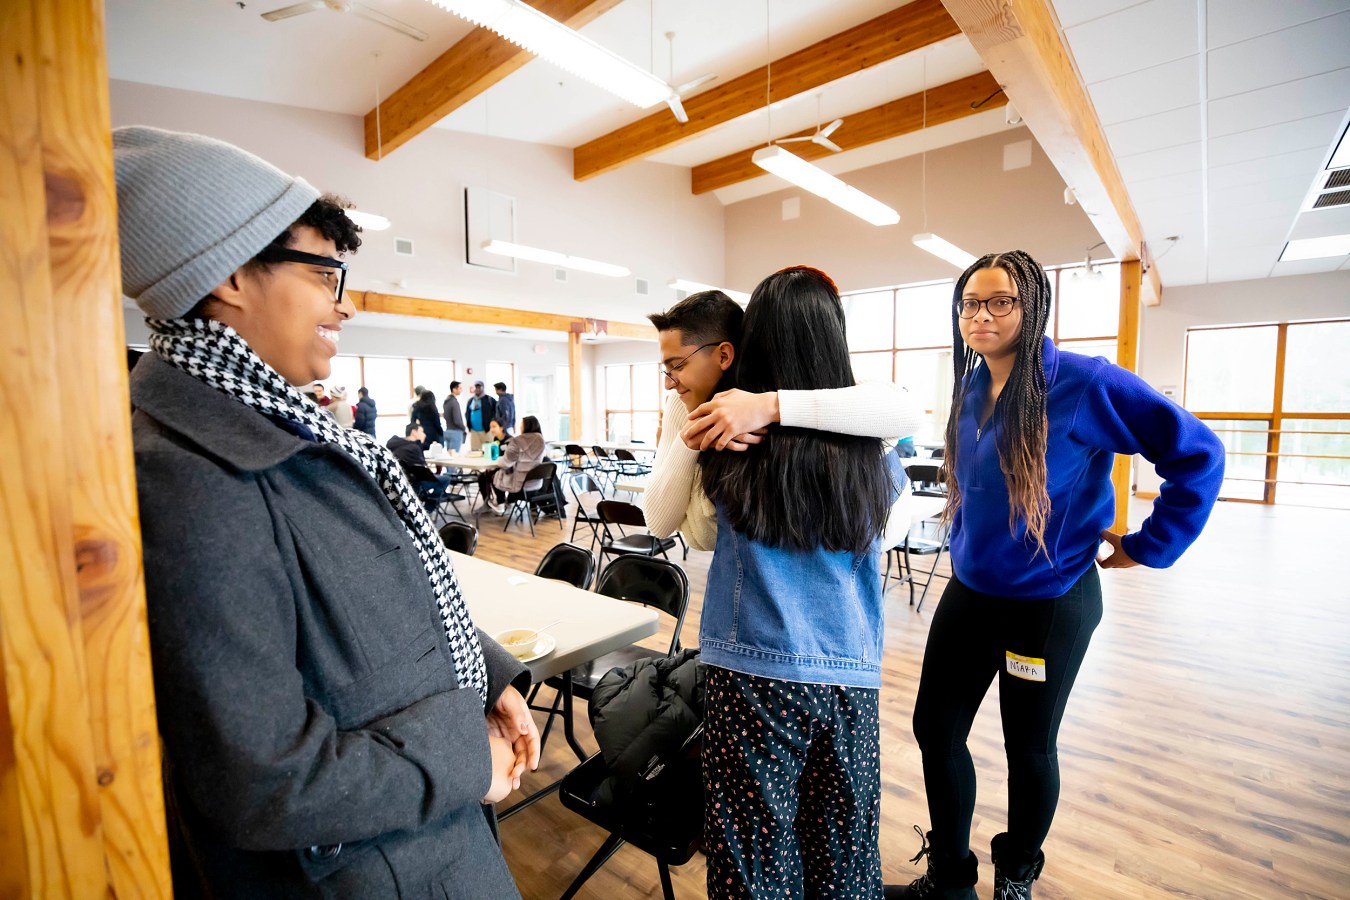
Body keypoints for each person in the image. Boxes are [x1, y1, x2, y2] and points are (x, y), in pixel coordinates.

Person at [115, 126, 537, 899]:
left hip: (420, 845)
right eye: (324, 276)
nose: (343, 308)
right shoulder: (189, 476)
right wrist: (462, 758)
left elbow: (370, 598)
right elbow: (263, 778)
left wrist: (490, 678)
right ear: (232, 276)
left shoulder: (274, 421)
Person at [889, 250, 1225, 900]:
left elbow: (1198, 455)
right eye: (969, 302)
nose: (980, 314)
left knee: (1029, 747)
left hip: (1046, 604)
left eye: (999, 301)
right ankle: (951, 879)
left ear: (1032, 306)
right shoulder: (971, 384)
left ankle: (1017, 876)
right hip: (971, 592)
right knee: (935, 729)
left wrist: (1148, 545)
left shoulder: (1086, 382)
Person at [681, 268, 906, 899]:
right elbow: (903, 436)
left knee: (753, 850)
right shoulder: (876, 453)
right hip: (849, 672)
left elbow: (691, 529)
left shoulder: (731, 439)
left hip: (750, 668)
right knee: (845, 847)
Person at [644, 289, 921, 552]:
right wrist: (687, 442)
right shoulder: (681, 406)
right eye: (666, 370)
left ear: (724, 355)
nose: (669, 384)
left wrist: (769, 406)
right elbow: (659, 523)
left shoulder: (798, 383)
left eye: (677, 366)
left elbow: (907, 414)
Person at [478, 416, 547, 515]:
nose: (520, 427)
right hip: (536, 484)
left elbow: (504, 464)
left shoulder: (517, 441)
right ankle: (503, 503)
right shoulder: (541, 440)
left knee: (494, 475)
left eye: (521, 425)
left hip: (519, 484)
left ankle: (500, 503)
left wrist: (501, 460)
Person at [388, 423, 455, 499]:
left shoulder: (395, 445)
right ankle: (430, 506)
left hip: (401, 482)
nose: (424, 435)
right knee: (446, 478)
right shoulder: (413, 447)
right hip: (415, 483)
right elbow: (422, 470)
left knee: (436, 476)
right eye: (422, 432)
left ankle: (426, 501)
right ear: (414, 432)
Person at [466, 381, 497, 451]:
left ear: (483, 388)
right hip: (474, 431)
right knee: (475, 452)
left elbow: (496, 412)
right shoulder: (470, 400)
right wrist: (469, 426)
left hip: (487, 431)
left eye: (479, 387)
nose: (477, 389)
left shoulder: (489, 399)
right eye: (476, 387)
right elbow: (467, 413)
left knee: (489, 451)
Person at [444, 380, 467, 452]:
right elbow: (457, 420)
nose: (461, 390)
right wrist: (464, 428)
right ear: (454, 389)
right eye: (460, 388)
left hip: (448, 430)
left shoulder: (446, 401)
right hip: (456, 432)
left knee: (449, 457)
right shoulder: (454, 402)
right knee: (454, 457)